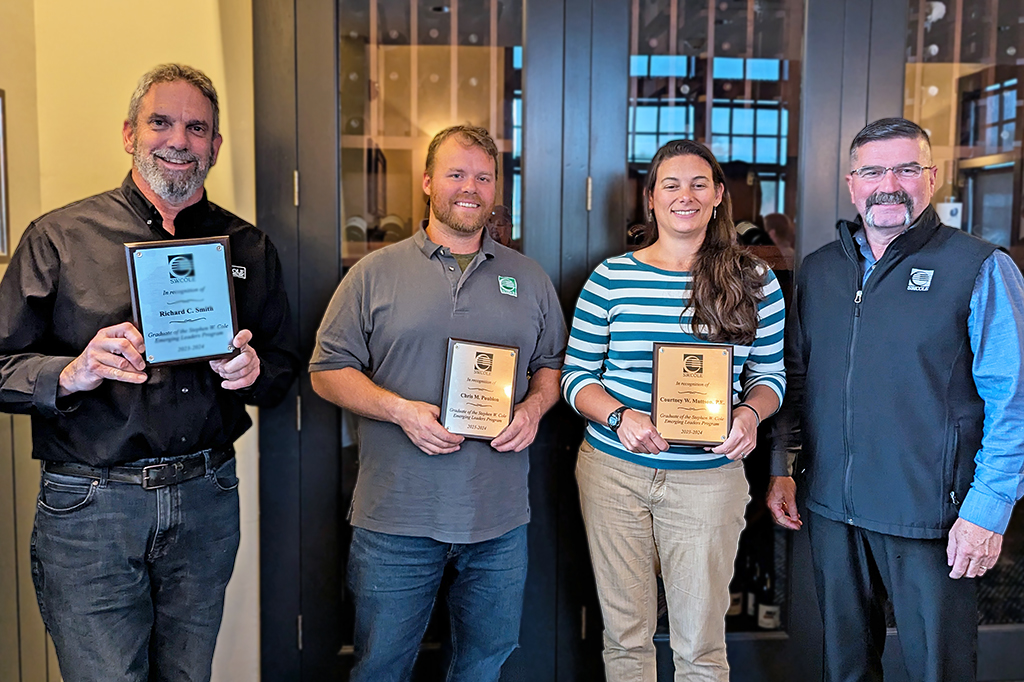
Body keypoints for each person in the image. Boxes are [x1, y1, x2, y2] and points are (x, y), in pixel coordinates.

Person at [0, 64, 299, 681]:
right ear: (130, 133)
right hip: (91, 504)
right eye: (161, 122)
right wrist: (71, 372)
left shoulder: (248, 248)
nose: (179, 140)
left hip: (206, 496)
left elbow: (283, 371)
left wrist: (252, 370)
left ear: (215, 146)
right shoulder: (59, 238)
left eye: (197, 128)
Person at [768, 117, 1024, 681]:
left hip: (932, 515)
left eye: (907, 168)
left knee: (940, 670)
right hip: (833, 506)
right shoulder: (820, 270)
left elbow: (1015, 400)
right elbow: (798, 380)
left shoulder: (979, 267)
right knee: (845, 669)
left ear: (932, 177)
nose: (890, 183)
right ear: (851, 182)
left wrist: (988, 508)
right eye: (873, 170)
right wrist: (784, 469)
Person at [309, 124, 566, 682]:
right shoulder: (373, 274)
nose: (469, 187)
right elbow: (327, 373)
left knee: (482, 668)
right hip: (396, 519)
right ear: (427, 182)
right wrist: (400, 410)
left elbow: (552, 364)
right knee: (380, 669)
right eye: (456, 173)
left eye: (483, 176)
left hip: (498, 522)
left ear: (496, 188)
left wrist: (535, 408)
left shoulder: (529, 278)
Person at [561, 139, 786, 681]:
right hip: (614, 474)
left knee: (701, 646)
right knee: (625, 639)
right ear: (652, 200)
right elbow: (575, 379)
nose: (685, 195)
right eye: (671, 185)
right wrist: (619, 416)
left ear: (718, 198)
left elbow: (771, 378)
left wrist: (750, 415)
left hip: (708, 482)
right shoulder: (610, 278)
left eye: (698, 184)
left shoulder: (754, 280)